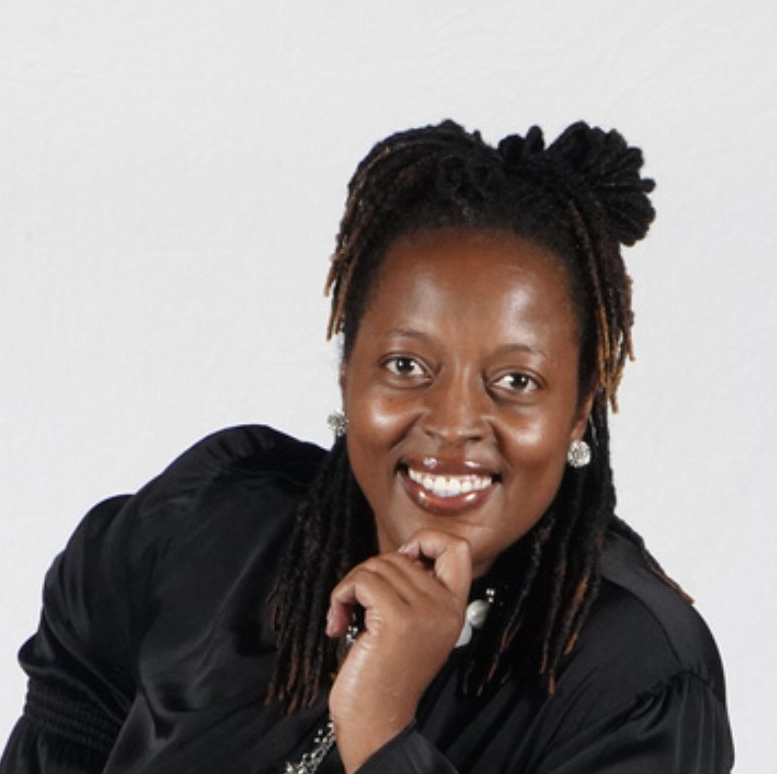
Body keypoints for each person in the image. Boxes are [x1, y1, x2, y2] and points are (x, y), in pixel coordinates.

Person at [0, 120, 734, 773]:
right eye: (406, 365)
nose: (453, 423)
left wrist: (382, 730)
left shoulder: (636, 681)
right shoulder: (215, 524)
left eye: (515, 380)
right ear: (347, 372)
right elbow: (74, 684)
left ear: (578, 412)